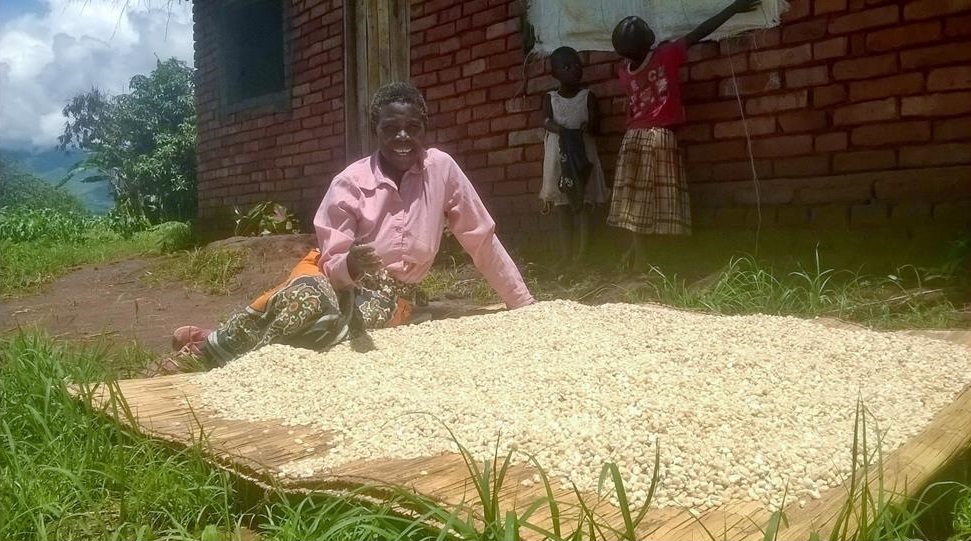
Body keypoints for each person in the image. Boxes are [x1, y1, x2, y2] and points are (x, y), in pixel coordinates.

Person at [148, 82, 535, 375]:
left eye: (412, 128)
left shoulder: (442, 170)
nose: (403, 137)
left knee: (318, 331)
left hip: (390, 301)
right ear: (375, 130)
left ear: (424, 128)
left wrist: (524, 306)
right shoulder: (349, 182)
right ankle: (207, 353)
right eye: (391, 128)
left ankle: (215, 338)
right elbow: (331, 258)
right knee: (305, 296)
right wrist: (351, 264)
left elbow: (481, 239)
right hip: (332, 280)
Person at [608, 0, 760, 271]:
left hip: (631, 139)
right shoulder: (666, 55)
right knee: (659, 200)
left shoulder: (623, 72)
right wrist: (734, 8)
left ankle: (638, 255)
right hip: (658, 138)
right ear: (648, 40)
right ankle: (658, 261)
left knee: (634, 201)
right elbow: (700, 32)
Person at [539, 46, 607, 268]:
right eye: (566, 66)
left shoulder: (588, 97)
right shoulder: (550, 98)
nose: (574, 70)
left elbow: (597, 126)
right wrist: (559, 129)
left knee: (583, 205)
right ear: (555, 73)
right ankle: (565, 256)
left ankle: (582, 256)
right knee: (563, 208)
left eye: (577, 65)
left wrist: (589, 126)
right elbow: (546, 121)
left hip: (581, 159)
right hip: (559, 160)